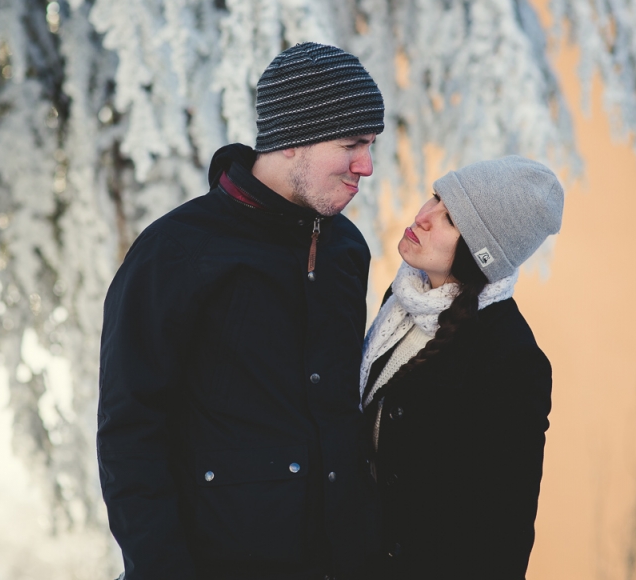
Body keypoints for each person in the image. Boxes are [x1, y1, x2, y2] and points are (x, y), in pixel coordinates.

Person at [98, 42, 387, 580]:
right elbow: (130, 428)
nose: (365, 166)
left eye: (370, 145)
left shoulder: (346, 250)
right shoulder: (177, 251)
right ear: (293, 140)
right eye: (351, 144)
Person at [360, 156, 563, 579]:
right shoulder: (401, 304)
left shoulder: (509, 360)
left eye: (450, 219)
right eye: (436, 196)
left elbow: (503, 530)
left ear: (480, 254)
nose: (424, 216)